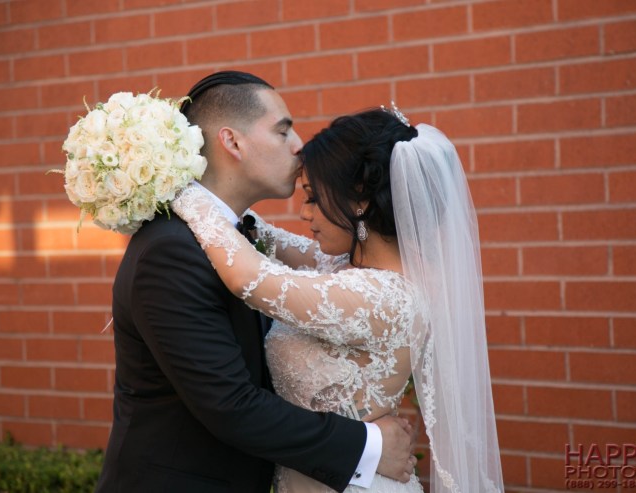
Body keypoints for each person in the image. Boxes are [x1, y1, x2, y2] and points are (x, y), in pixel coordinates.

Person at [95, 72, 415, 493]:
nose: (299, 145)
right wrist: (367, 446)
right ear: (232, 142)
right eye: (283, 130)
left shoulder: (236, 238)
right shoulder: (171, 249)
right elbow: (229, 404)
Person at [172, 108, 505, 492]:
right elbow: (264, 236)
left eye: (313, 198)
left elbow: (249, 276)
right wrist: (221, 190)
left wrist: (177, 188)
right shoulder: (342, 266)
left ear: (360, 199)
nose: (304, 213)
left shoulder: (383, 298)